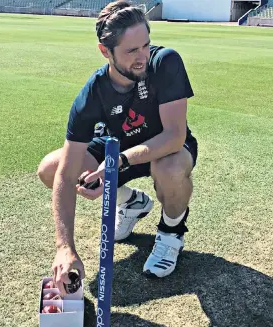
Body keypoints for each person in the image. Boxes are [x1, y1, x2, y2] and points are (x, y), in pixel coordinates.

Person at [37, 0, 198, 295]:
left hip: (163, 148)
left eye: (145, 45)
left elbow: (174, 136)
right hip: (117, 151)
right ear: (105, 51)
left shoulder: (165, 62)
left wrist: (119, 162)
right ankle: (131, 202)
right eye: (131, 51)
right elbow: (64, 172)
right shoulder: (92, 93)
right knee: (49, 168)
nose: (142, 57)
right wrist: (64, 247)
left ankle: (171, 233)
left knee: (170, 168)